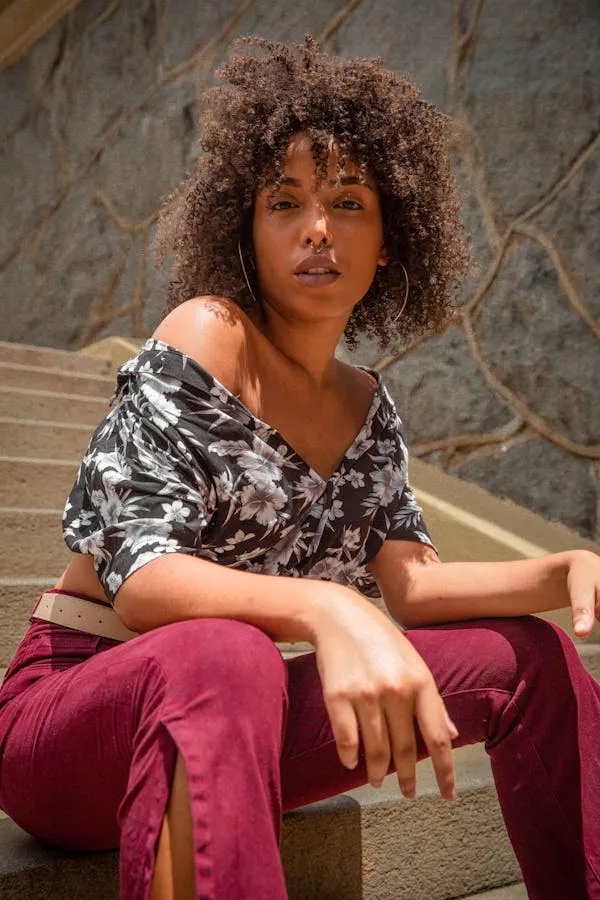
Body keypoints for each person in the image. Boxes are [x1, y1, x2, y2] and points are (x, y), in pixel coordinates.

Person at [0, 34, 599, 900]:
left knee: (532, 659)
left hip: (234, 719)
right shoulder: (208, 336)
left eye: (349, 202)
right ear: (248, 228)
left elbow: (416, 590)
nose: (317, 228)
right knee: (225, 652)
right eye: (286, 202)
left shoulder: (369, 409)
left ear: (391, 239)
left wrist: (566, 567)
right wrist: (323, 607)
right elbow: (142, 576)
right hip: (75, 711)